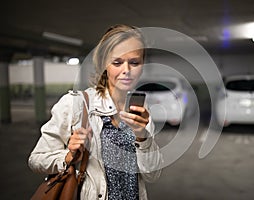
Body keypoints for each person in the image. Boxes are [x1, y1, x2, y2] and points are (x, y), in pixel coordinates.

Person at [28, 24, 162, 200]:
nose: (126, 71)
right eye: (117, 62)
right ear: (104, 63)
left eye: (134, 62)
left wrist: (142, 137)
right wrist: (69, 156)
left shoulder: (140, 113)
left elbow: (152, 175)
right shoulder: (75, 104)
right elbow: (36, 159)